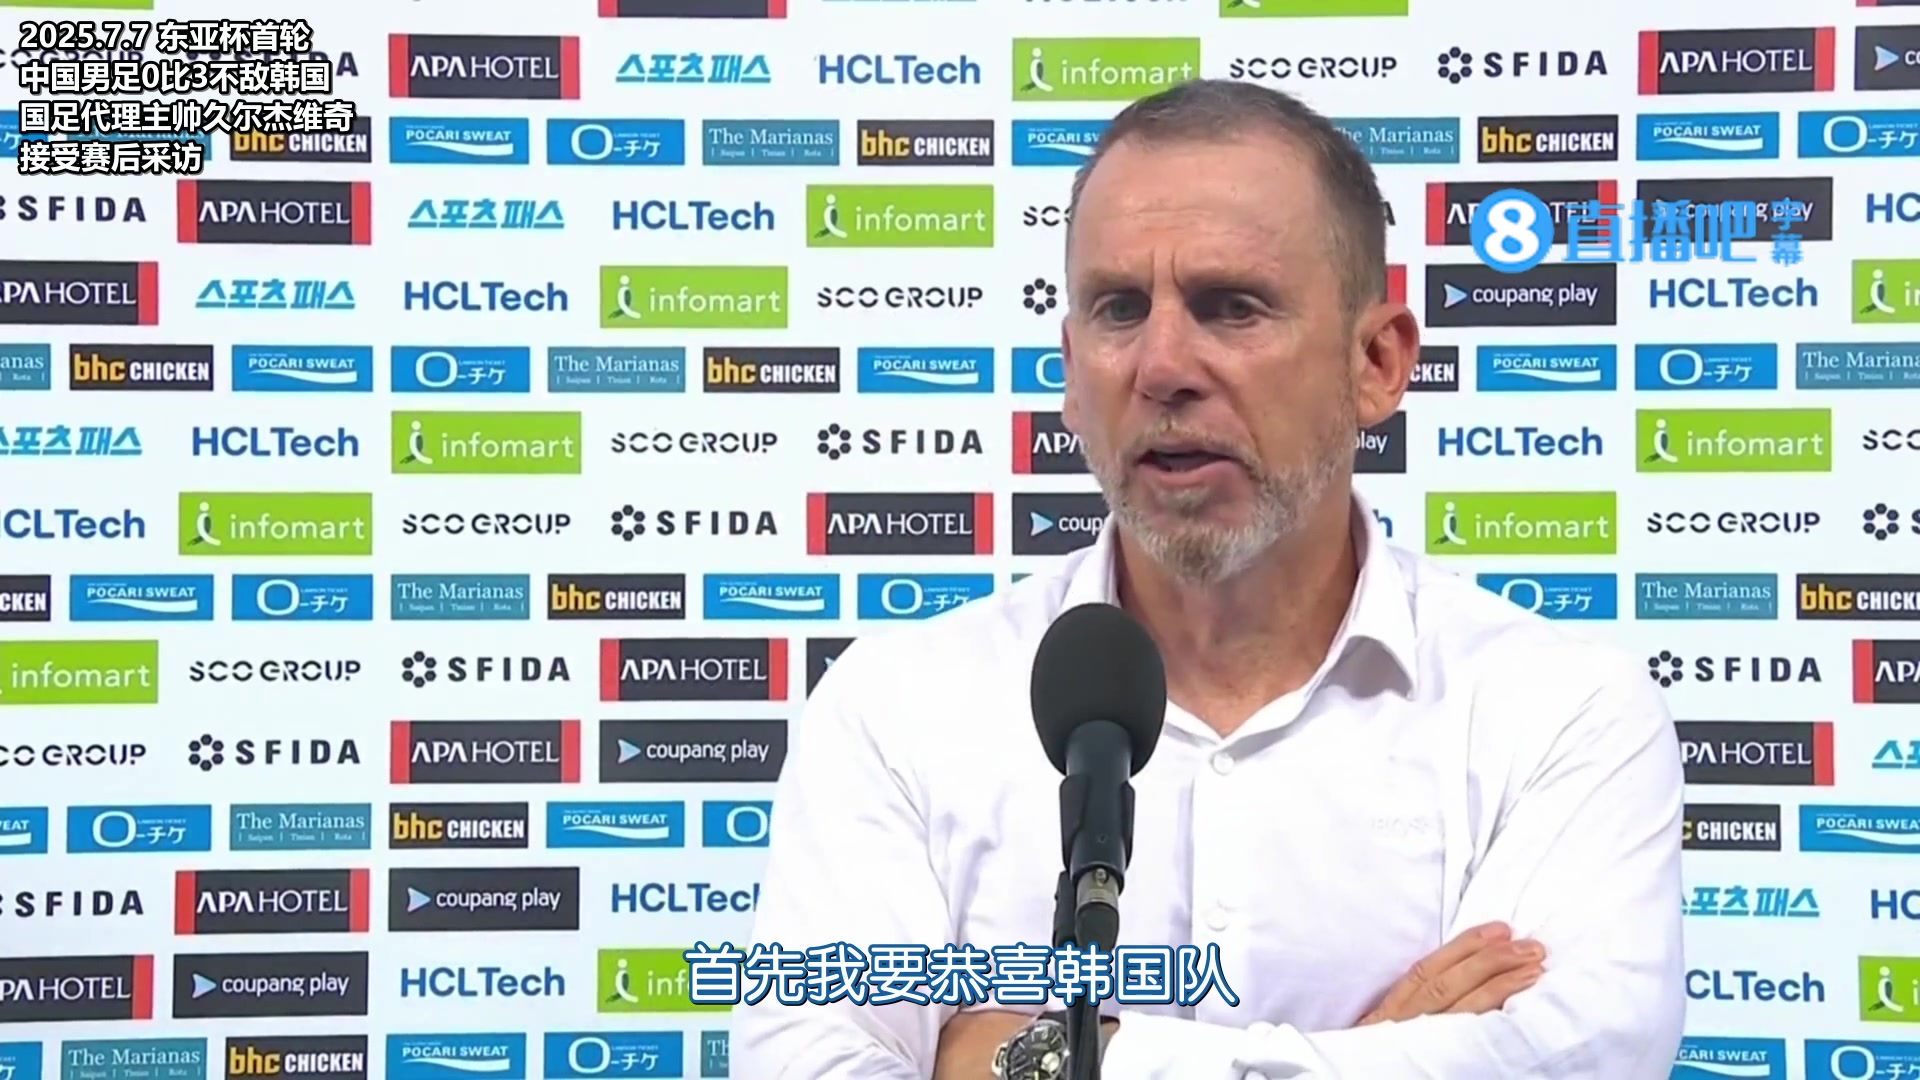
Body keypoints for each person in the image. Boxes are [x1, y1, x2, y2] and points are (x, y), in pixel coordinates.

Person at [732, 79, 1685, 1079]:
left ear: (1376, 363)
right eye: (1118, 309)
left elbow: (1584, 1056)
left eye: (1233, 308)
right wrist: (1377, 1060)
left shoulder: (1561, 712)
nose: (1162, 366)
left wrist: (1023, 1056)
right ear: (1071, 370)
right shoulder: (896, 709)